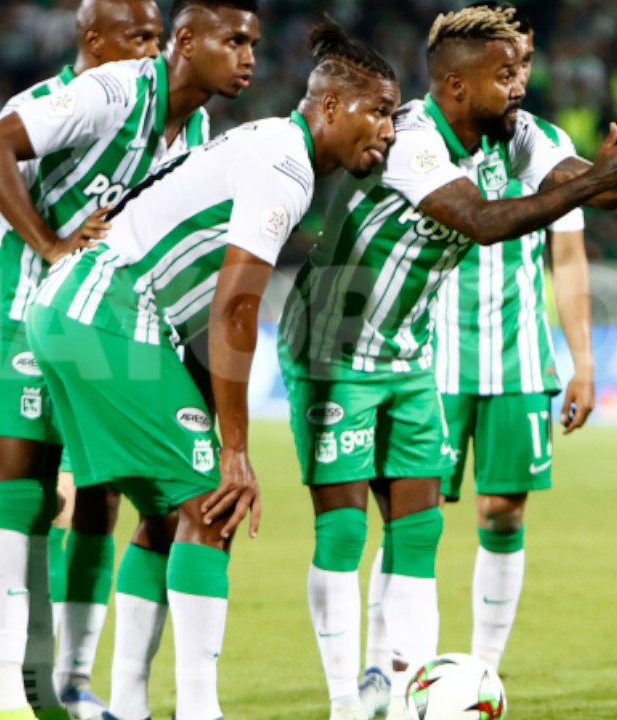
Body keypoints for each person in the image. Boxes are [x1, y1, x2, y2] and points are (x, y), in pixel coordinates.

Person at [276, 5, 617, 720]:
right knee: (344, 529)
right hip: (333, 347)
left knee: (417, 530)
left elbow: (599, 188)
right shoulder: (411, 137)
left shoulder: (517, 135)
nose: (520, 85)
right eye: (504, 74)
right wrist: (585, 183)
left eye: (521, 70)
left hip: (409, 353)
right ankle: (348, 700)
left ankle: (412, 693)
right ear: (455, 88)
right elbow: (483, 222)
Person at [23, 21, 399, 720]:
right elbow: (232, 312)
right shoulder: (285, 167)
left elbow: (205, 310)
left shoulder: (265, 146)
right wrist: (234, 449)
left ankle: (130, 706)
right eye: (376, 110)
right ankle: (199, 710)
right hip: (109, 311)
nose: (388, 129)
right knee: (211, 503)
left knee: (167, 515)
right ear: (325, 107)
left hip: (69, 309)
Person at [0, 1, 255, 718]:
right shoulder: (94, 95)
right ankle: (4, 699)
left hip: (87, 310)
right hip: (0, 290)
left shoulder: (195, 127)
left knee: (100, 490)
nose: (146, 50)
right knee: (22, 492)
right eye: (136, 37)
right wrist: (50, 244)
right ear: (92, 40)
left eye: (151, 36)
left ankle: (69, 686)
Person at [38, 2, 261, 719]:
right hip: (81, 306)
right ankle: (48, 679)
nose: (249, 55)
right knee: (181, 500)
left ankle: (86, 688)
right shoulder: (112, 92)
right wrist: (53, 242)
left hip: (125, 317)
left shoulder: (198, 131)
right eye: (235, 40)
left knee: (135, 505)